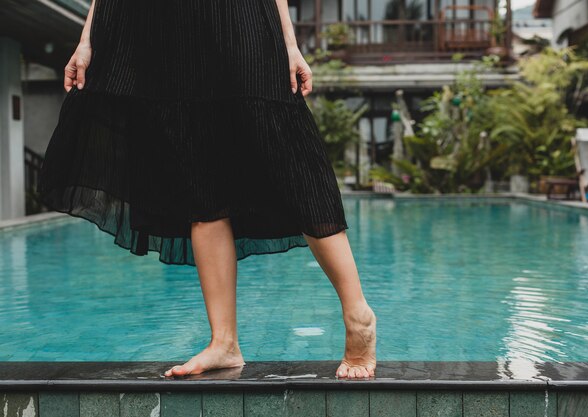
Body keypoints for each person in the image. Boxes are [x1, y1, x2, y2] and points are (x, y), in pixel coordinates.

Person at [37, 0, 376, 379]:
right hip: (156, 26)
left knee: (290, 154)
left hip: (236, 14)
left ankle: (357, 314)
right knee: (197, 177)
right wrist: (87, 38)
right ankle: (224, 342)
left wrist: (290, 43)